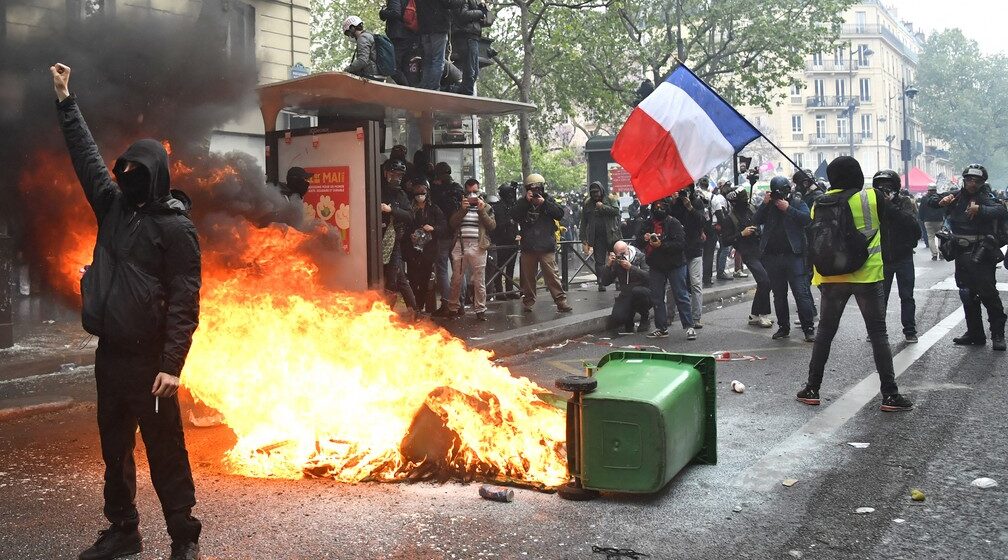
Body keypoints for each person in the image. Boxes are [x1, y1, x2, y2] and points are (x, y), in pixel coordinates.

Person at [52, 63, 203, 560]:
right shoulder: (113, 206)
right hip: (111, 356)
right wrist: (65, 100)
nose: (128, 179)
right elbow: (86, 159)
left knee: (166, 454)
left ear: (157, 177)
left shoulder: (176, 231)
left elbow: (185, 301)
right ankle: (124, 530)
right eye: (125, 173)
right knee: (113, 451)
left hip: (151, 364)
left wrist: (171, 365)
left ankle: (184, 537)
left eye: (139, 174)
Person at [798, 156, 914, 411]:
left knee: (825, 334)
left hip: (831, 278)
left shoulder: (819, 202)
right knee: (878, 333)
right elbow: (905, 223)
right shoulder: (871, 197)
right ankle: (890, 395)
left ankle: (812, 388)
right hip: (866, 276)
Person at [930, 164, 1007, 351]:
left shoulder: (986, 197)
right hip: (960, 252)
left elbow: (1001, 210)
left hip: (982, 253)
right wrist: (941, 200)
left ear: (982, 182)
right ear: (964, 180)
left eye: (977, 181)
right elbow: (931, 200)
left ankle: (997, 334)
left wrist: (980, 210)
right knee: (966, 294)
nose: (972, 183)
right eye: (969, 179)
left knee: (988, 294)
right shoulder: (956, 196)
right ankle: (975, 333)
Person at [755, 176, 816, 342]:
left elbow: (807, 220)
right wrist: (764, 204)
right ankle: (783, 327)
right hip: (773, 258)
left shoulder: (796, 202)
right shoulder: (769, 206)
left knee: (801, 293)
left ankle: (808, 328)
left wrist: (788, 209)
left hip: (794, 256)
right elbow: (755, 220)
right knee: (779, 295)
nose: (777, 196)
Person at [874, 170, 924, 343]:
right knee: (881, 297)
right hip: (882, 257)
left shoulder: (905, 202)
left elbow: (913, 226)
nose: (884, 190)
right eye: (880, 186)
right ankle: (877, 331)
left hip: (903, 256)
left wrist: (890, 206)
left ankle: (910, 330)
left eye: (887, 186)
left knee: (907, 296)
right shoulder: (874, 205)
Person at [635, 197, 694, 340]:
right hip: (656, 266)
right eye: (656, 207)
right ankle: (661, 328)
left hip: (675, 265)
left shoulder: (674, 223)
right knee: (657, 298)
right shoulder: (648, 223)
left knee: (681, 295)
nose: (658, 209)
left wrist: (661, 245)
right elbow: (638, 241)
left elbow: (680, 244)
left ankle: (689, 326)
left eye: (662, 207)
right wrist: (645, 238)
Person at [513, 174, 572, 313]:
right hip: (529, 246)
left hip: (545, 245)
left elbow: (559, 214)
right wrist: (526, 202)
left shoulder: (548, 199)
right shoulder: (522, 202)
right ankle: (528, 302)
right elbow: (514, 215)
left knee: (552, 275)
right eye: (532, 188)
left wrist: (543, 203)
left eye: (537, 188)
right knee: (528, 277)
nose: (535, 191)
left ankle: (561, 301)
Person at [719, 189, 773, 328]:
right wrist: (741, 234)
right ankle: (763, 315)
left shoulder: (751, 209)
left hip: (760, 249)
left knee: (764, 282)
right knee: (764, 281)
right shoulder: (729, 219)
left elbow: (759, 218)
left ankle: (754, 314)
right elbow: (725, 240)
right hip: (748, 253)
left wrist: (765, 204)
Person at [446, 179, 496, 320]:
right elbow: (452, 223)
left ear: (480, 191)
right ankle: (453, 308)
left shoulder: (486, 207)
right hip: (460, 245)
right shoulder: (460, 205)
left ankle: (480, 310)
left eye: (475, 191)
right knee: (456, 278)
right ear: (465, 192)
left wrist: (481, 211)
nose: (472, 195)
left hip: (478, 246)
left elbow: (492, 226)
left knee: (479, 280)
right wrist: (463, 209)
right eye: (469, 192)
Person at [381, 159, 419, 318]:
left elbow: (410, 216)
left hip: (393, 241)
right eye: (393, 174)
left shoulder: (401, 194)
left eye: (400, 175)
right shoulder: (377, 189)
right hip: (376, 240)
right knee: (400, 278)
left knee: (393, 277)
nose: (397, 178)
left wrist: (392, 210)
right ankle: (414, 310)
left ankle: (387, 313)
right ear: (385, 173)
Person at [403, 179, 446, 314]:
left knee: (425, 279)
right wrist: (411, 235)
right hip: (412, 250)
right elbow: (404, 225)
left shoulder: (434, 209)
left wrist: (433, 228)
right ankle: (415, 307)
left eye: (422, 193)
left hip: (429, 249)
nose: (419, 196)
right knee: (413, 279)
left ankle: (420, 306)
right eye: (417, 194)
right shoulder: (410, 208)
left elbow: (443, 226)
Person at [668, 186, 706, 328]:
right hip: (678, 249)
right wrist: (672, 203)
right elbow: (666, 220)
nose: (684, 194)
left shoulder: (697, 202)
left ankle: (696, 318)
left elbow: (702, 221)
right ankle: (669, 315)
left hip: (694, 248)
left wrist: (690, 207)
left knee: (696, 284)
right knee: (673, 284)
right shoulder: (674, 203)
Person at [429, 162, 462, 315]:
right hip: (457, 233)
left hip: (442, 234)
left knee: (441, 269)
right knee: (458, 269)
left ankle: (446, 303)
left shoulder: (436, 191)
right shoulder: (458, 189)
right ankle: (459, 302)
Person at [598, 240, 652, 336]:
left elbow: (648, 276)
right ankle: (628, 319)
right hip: (626, 293)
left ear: (628, 248)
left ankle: (645, 317)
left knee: (637, 292)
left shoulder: (640, 256)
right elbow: (605, 282)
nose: (623, 256)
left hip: (643, 291)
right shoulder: (616, 262)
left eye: (624, 252)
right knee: (617, 317)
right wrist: (608, 265)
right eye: (620, 254)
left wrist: (631, 268)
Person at [579, 181, 622, 293]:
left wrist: (603, 207)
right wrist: (583, 237)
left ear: (601, 190)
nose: (595, 194)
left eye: (597, 192)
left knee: (617, 258)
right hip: (597, 237)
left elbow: (616, 211)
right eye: (592, 192)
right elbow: (583, 221)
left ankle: (618, 281)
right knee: (599, 262)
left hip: (612, 235)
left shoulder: (610, 199)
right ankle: (601, 282)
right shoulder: (588, 203)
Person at [450, 0, 490, 95]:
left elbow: (487, 20)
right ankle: (466, 92)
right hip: (466, 35)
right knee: (470, 69)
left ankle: (463, 90)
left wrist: (484, 11)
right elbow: (463, 15)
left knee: (474, 70)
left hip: (472, 35)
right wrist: (480, 12)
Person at [489, 182, 520, 298]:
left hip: (512, 240)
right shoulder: (498, 207)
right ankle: (500, 292)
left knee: (510, 267)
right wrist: (509, 222)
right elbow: (497, 225)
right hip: (501, 241)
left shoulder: (512, 206)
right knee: (500, 267)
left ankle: (510, 290)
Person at [379, 0, 419, 86]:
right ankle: (411, 89)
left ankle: (407, 89)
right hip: (409, 35)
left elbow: (395, 13)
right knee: (405, 66)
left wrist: (382, 12)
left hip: (398, 36)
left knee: (394, 67)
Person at [416, 0, 454, 90]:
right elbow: (449, 3)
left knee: (427, 60)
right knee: (437, 60)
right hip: (438, 27)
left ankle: (425, 87)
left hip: (424, 27)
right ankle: (433, 89)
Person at [919, 183, 944, 261]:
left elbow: (921, 210)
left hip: (928, 220)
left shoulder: (924, 198)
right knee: (941, 237)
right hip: (939, 219)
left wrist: (921, 219)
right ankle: (941, 253)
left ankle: (934, 254)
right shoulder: (939, 197)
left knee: (931, 237)